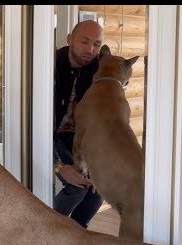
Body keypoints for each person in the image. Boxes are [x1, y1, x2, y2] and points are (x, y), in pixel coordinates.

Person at [53, 20, 104, 229]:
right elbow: (36, 122)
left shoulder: (98, 68)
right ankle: (45, 230)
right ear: (69, 39)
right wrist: (57, 165)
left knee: (98, 188)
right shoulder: (50, 65)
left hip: (81, 138)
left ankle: (77, 233)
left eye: (97, 44)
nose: (90, 50)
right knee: (78, 187)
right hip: (50, 134)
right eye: (84, 42)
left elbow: (119, 72)